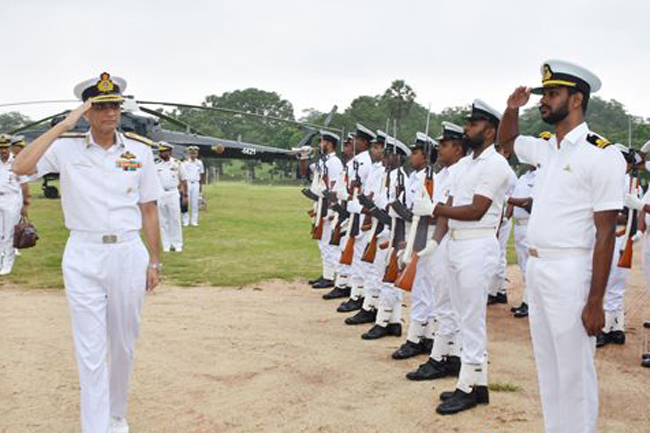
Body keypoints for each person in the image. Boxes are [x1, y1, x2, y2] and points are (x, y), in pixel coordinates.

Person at [13, 72, 163, 433]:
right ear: (87, 111)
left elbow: (149, 208)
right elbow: (20, 167)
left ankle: (116, 414)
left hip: (128, 252)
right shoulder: (65, 148)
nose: (110, 113)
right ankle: (95, 426)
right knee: (90, 348)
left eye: (114, 106)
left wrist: (155, 259)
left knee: (124, 343)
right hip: (83, 253)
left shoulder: (139, 152)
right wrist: (64, 124)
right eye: (100, 107)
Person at [498, 60, 625, 433]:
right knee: (548, 365)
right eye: (544, 94)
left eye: (552, 93)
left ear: (576, 99)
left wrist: (596, 301)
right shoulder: (545, 148)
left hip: (572, 269)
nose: (544, 101)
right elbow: (505, 143)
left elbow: (605, 234)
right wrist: (511, 108)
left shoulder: (600, 154)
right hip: (538, 268)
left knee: (574, 371)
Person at [413, 99, 510, 415]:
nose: (467, 128)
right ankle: (475, 383)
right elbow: (452, 203)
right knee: (458, 310)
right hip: (455, 243)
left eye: (473, 123)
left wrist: (436, 209)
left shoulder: (496, 165)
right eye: (468, 123)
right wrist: (436, 241)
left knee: (471, 318)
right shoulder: (464, 166)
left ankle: (468, 386)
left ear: (490, 130)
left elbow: (477, 209)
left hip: (478, 244)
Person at [406, 121, 466, 380]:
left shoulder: (461, 172)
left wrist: (430, 211)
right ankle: (448, 354)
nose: (438, 149)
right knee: (439, 296)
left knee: (446, 299)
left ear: (458, 147)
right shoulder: (440, 175)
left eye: (444, 144)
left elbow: (446, 210)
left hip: (452, 239)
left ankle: (444, 356)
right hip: (437, 238)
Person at [391, 132, 437, 359]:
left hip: (425, 234)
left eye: (416, 152)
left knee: (422, 288)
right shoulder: (414, 177)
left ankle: (417, 337)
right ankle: (426, 334)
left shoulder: (429, 177)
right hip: (414, 232)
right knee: (422, 288)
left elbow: (434, 212)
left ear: (426, 157)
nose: (411, 156)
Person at [361, 133, 411, 339]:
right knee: (386, 277)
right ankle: (394, 321)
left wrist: (375, 211)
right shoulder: (386, 176)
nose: (384, 156)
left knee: (389, 279)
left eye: (389, 154)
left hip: (393, 232)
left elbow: (401, 213)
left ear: (398, 157)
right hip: (382, 230)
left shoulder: (401, 179)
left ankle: (382, 321)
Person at [335, 124, 373, 314]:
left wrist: (350, 199)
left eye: (356, 139)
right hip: (353, 210)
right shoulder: (357, 161)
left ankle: (358, 295)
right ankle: (355, 292)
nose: (353, 143)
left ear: (364, 142)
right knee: (352, 252)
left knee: (359, 256)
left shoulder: (364, 163)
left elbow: (363, 191)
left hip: (359, 212)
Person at [310, 130, 343, 289]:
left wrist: (332, 210)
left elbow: (334, 187)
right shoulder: (324, 161)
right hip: (320, 202)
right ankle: (326, 273)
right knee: (322, 243)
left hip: (328, 204)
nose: (320, 145)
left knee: (329, 243)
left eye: (322, 142)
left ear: (329, 144)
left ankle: (331, 276)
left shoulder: (334, 162)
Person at [508, 159, 538, 318]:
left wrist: (507, 199)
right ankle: (527, 301)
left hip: (530, 225)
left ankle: (529, 302)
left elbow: (529, 204)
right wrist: (506, 218)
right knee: (522, 265)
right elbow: (513, 201)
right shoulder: (522, 178)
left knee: (530, 267)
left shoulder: (541, 176)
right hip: (518, 226)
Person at [0, 134, 25, 275]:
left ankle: (7, 265)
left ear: (9, 147)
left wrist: (25, 205)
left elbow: (24, 184)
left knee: (9, 233)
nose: (3, 150)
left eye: (5, 147)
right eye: (0, 147)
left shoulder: (17, 162)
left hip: (11, 200)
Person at [156, 142, 185, 252]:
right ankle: (166, 245)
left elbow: (183, 179)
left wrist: (185, 194)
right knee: (162, 220)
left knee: (175, 219)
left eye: (164, 151)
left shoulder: (177, 163)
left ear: (170, 152)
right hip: (160, 193)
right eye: (160, 151)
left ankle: (177, 244)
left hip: (173, 192)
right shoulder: (156, 164)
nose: (161, 153)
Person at [180, 146, 204, 227]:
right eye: (191, 153)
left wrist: (201, 189)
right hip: (187, 183)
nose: (193, 155)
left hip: (196, 183)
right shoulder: (185, 163)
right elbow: (182, 175)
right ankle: (185, 221)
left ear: (197, 154)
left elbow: (201, 175)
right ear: (189, 154)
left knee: (195, 203)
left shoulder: (199, 163)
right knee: (186, 202)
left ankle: (194, 221)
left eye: (195, 153)